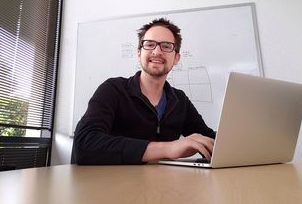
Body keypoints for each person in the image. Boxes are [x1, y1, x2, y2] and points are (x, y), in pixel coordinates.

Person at [72, 18, 215, 165]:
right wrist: (168, 148)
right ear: (139, 53)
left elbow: (210, 140)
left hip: (161, 185)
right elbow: (84, 144)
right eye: (150, 44)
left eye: (166, 46)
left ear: (176, 58)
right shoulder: (112, 89)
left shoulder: (180, 100)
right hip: (112, 184)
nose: (157, 51)